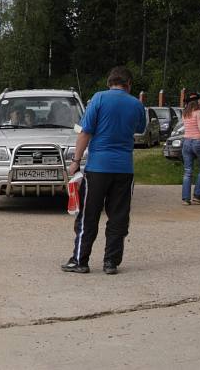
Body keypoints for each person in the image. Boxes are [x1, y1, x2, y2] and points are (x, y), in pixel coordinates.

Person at [62, 66, 146, 275]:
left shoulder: (98, 99)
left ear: (109, 82)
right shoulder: (136, 104)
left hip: (98, 168)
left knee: (88, 215)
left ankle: (80, 260)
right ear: (129, 84)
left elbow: (84, 133)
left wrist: (76, 160)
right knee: (118, 216)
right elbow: (140, 128)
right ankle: (111, 262)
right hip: (124, 169)